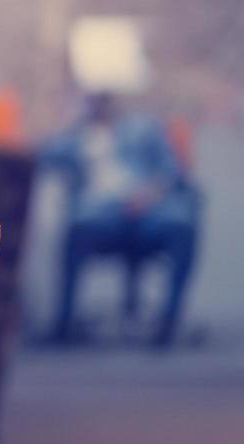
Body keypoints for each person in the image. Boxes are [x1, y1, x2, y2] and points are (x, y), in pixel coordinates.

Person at [42, 92, 199, 347]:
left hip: (147, 210)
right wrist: (67, 123)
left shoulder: (143, 129)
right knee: (76, 231)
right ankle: (64, 321)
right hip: (98, 215)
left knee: (183, 229)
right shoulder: (75, 137)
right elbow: (45, 155)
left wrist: (149, 195)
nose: (100, 102)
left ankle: (169, 322)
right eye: (92, 97)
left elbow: (170, 170)